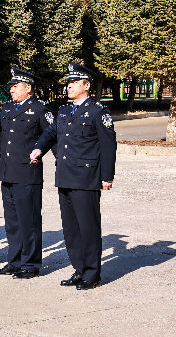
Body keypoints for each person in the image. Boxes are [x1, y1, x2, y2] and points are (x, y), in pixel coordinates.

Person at [30, 62, 117, 290]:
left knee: (87, 227)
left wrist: (107, 176)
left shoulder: (99, 111)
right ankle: (79, 269)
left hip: (86, 178)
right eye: (68, 83)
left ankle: (92, 274)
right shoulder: (65, 111)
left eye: (73, 83)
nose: (69, 87)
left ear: (86, 85)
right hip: (65, 175)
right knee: (70, 228)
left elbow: (108, 146)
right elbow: (51, 133)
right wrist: (39, 147)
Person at [0, 68, 52, 278]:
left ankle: (30, 264)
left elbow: (52, 133)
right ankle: (14, 261)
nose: (11, 90)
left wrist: (45, 152)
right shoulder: (8, 109)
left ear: (28, 88)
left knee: (28, 221)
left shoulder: (40, 109)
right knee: (12, 222)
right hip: (7, 172)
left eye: (15, 87)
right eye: (11, 87)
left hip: (27, 173)